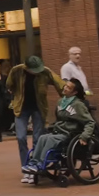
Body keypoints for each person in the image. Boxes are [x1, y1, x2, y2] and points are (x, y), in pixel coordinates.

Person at [7, 56, 65, 184]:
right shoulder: (17, 71)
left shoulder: (45, 71)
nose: (37, 72)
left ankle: (36, 167)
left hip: (38, 107)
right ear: (27, 68)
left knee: (37, 138)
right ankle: (25, 169)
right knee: (21, 138)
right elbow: (9, 84)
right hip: (21, 108)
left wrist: (68, 97)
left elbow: (59, 83)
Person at [22, 78, 95, 174]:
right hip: (59, 131)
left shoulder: (78, 105)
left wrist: (85, 136)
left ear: (74, 92)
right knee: (43, 137)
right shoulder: (60, 102)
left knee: (50, 139)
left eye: (68, 88)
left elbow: (90, 122)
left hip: (70, 134)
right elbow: (59, 119)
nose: (65, 88)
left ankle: (40, 164)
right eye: (65, 85)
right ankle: (33, 163)